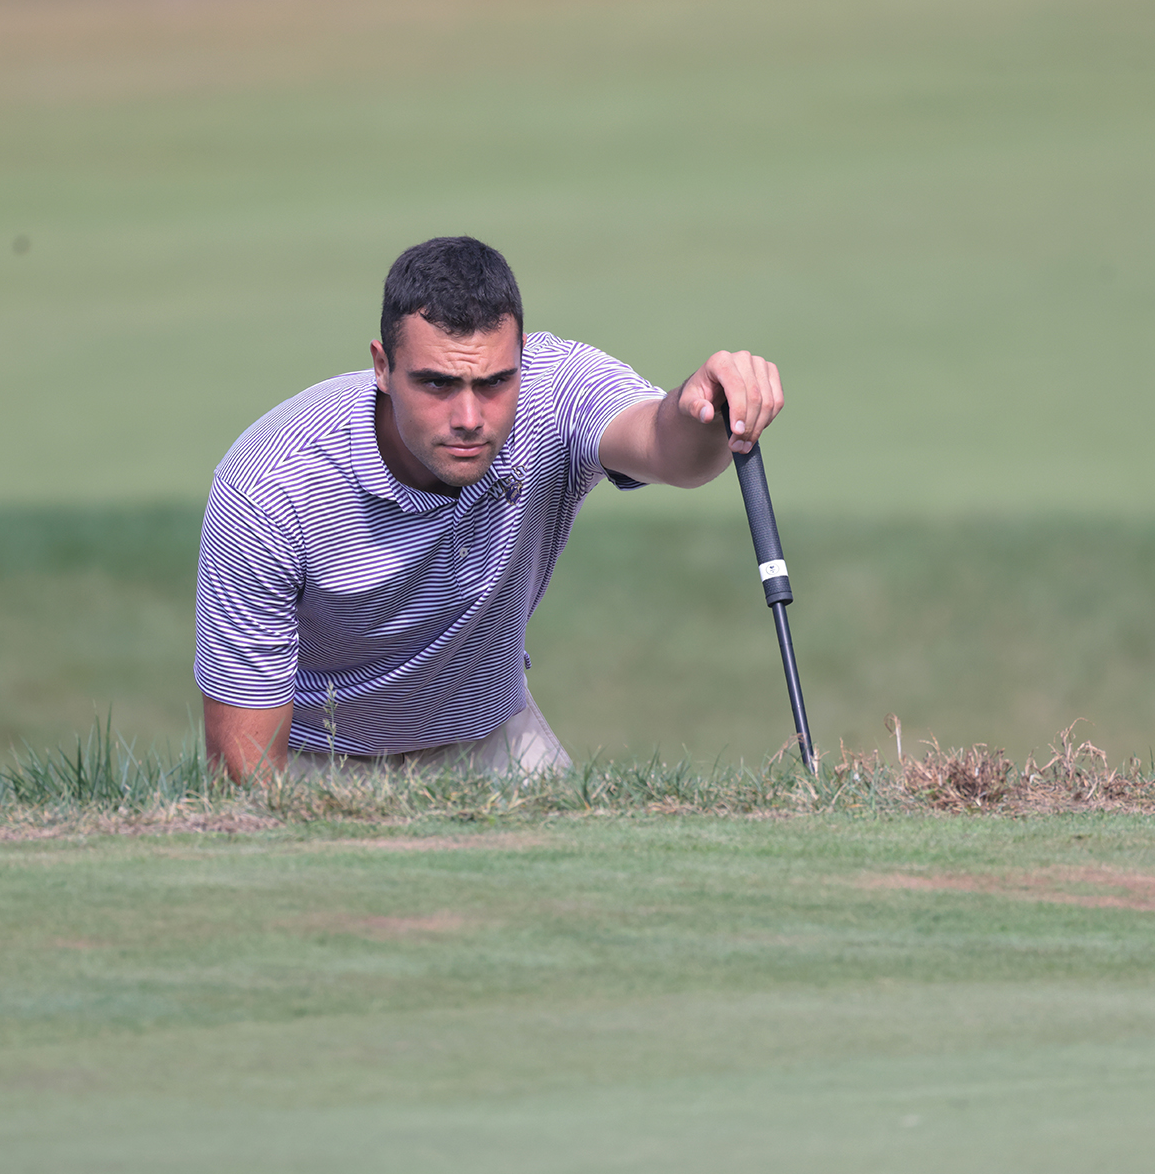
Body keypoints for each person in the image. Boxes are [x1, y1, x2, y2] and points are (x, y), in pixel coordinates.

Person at [195, 236, 782, 781]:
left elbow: (670, 450)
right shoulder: (271, 485)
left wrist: (702, 406)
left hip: (492, 737)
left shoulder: (555, 390)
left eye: (495, 382)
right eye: (437, 384)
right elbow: (247, 773)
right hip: (315, 755)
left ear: (522, 359)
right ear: (382, 367)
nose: (470, 419)